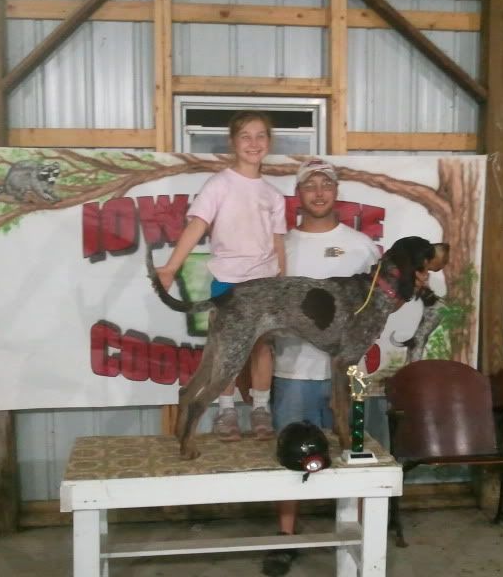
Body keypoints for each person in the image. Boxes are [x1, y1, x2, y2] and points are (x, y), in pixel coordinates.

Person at [262, 159, 380, 577]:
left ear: (336, 191)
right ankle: (286, 537)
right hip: (292, 369)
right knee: (288, 456)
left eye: (325, 184)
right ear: (298, 194)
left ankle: (360, 537)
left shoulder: (362, 246)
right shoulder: (280, 246)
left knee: (356, 454)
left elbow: (376, 305)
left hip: (351, 373)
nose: (318, 192)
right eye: (309, 185)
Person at [154, 110, 285, 442]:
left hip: (265, 283)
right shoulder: (219, 184)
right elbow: (197, 226)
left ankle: (260, 408)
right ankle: (226, 409)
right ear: (233, 142)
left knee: (262, 346)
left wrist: (283, 281)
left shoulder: (273, 195)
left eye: (260, 136)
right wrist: (170, 268)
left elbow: (278, 241)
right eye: (245, 136)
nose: (253, 143)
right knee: (226, 348)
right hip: (228, 280)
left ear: (269, 142)